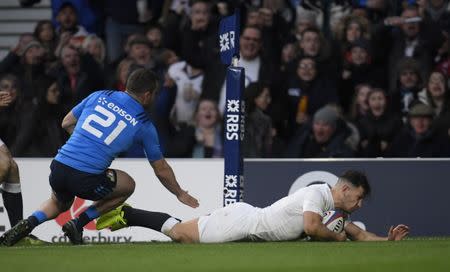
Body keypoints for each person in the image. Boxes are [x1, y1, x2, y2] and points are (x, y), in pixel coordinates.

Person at [0, 68, 199, 247]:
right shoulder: (144, 124)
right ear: (147, 95)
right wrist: (179, 193)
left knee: (58, 202)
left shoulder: (99, 95)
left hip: (60, 166)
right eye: (155, 94)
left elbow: (66, 122)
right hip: (86, 179)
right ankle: (78, 223)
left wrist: (86, 146)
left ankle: (28, 223)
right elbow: (160, 167)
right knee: (127, 184)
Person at [96, 170, 409, 243]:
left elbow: (356, 234)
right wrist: (336, 237)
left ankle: (129, 215)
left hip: (248, 223)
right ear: (343, 188)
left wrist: (387, 240)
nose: (360, 203)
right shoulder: (317, 193)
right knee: (180, 235)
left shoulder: (336, 208)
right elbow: (314, 228)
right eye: (359, 196)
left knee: (182, 231)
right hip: (242, 223)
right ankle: (129, 213)